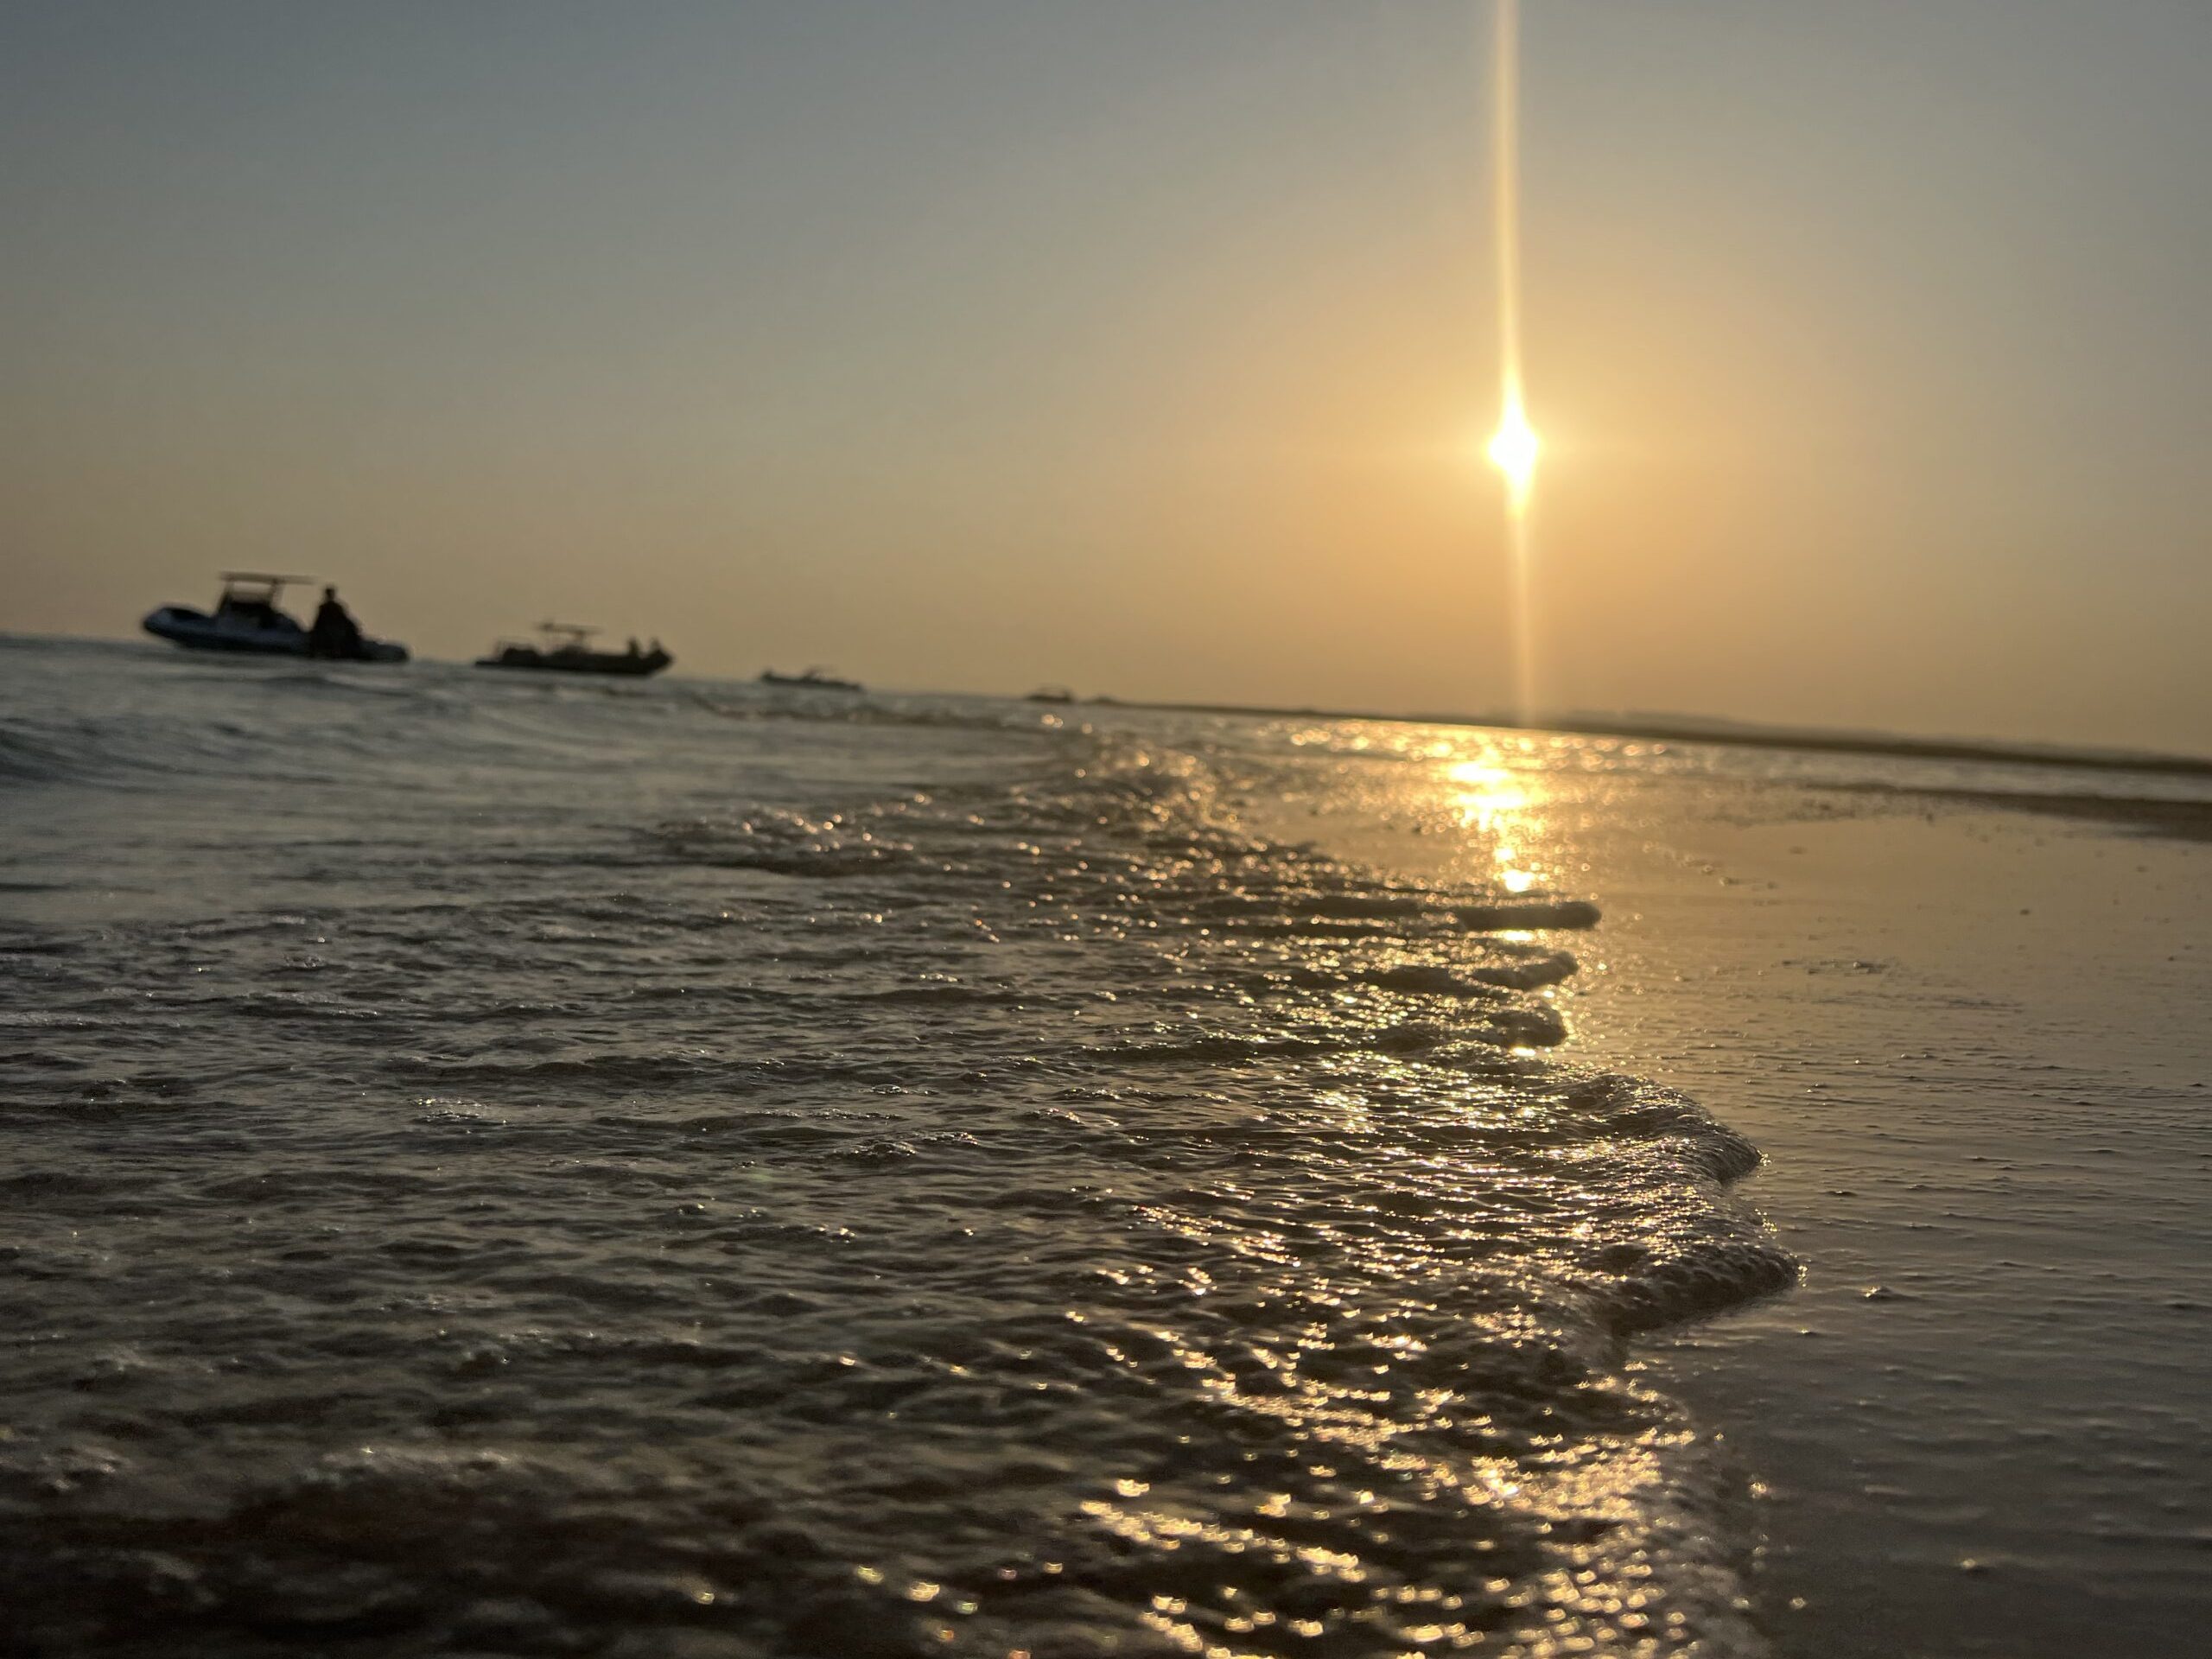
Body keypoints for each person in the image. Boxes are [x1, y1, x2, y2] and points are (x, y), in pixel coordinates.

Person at [308, 587, 364, 659]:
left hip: (335, 630)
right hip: (329, 631)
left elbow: (344, 619)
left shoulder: (335, 607)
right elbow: (319, 621)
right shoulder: (325, 607)